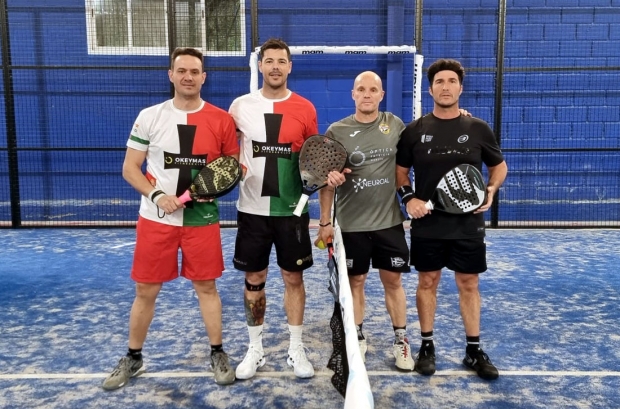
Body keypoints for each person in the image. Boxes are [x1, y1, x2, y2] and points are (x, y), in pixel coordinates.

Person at [102, 47, 239, 389]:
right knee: (146, 290)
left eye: (195, 71)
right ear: (171, 75)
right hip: (156, 220)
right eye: (182, 71)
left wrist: (213, 190)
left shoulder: (221, 120)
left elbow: (231, 168)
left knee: (207, 287)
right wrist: (156, 195)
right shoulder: (150, 116)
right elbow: (130, 168)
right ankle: (133, 358)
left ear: (203, 77)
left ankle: (217, 352)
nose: (188, 77)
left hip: (201, 219)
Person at [395, 58, 508, 380]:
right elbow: (400, 173)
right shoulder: (414, 131)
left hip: (467, 225)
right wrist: (410, 198)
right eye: (440, 82)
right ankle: (427, 345)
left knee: (468, 283)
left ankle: (473, 350)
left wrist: (490, 189)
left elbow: (498, 165)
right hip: (428, 225)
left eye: (451, 82)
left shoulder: (478, 128)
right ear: (430, 89)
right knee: (427, 282)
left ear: (460, 87)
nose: (446, 87)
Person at [228, 38, 317, 380]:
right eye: (270, 61)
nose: (276, 66)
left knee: (293, 277)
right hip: (252, 209)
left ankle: (296, 348)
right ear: (261, 66)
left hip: (292, 210)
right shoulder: (240, 106)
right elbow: (224, 145)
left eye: (282, 61)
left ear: (290, 66)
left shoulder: (305, 108)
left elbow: (312, 157)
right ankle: (256, 348)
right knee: (255, 278)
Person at [316, 71, 415, 371]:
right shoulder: (337, 130)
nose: (368, 94)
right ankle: (356, 334)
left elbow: (424, 136)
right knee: (356, 281)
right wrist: (324, 219)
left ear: (381, 95)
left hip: (389, 222)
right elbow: (325, 179)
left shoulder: (394, 125)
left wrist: (459, 114)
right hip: (351, 224)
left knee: (393, 281)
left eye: (374, 89)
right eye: (362, 89)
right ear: (353, 94)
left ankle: (401, 340)